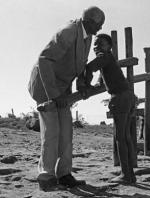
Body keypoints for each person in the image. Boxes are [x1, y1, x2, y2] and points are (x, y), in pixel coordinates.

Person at [28, 6, 105, 191]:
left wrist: (82, 86)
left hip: (63, 90)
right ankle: (46, 175)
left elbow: (80, 66)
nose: (100, 29)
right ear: (89, 21)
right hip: (45, 86)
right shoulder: (69, 31)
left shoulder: (87, 38)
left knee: (66, 132)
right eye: (99, 24)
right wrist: (53, 95)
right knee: (52, 130)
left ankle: (64, 174)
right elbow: (44, 60)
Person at [84, 34, 136, 184]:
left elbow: (89, 67)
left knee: (120, 138)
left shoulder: (104, 56)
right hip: (128, 96)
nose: (96, 47)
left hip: (119, 97)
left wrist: (85, 85)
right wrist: (92, 87)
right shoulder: (109, 61)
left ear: (109, 47)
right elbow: (101, 83)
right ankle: (130, 175)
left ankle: (126, 175)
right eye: (95, 44)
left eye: (100, 43)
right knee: (125, 137)